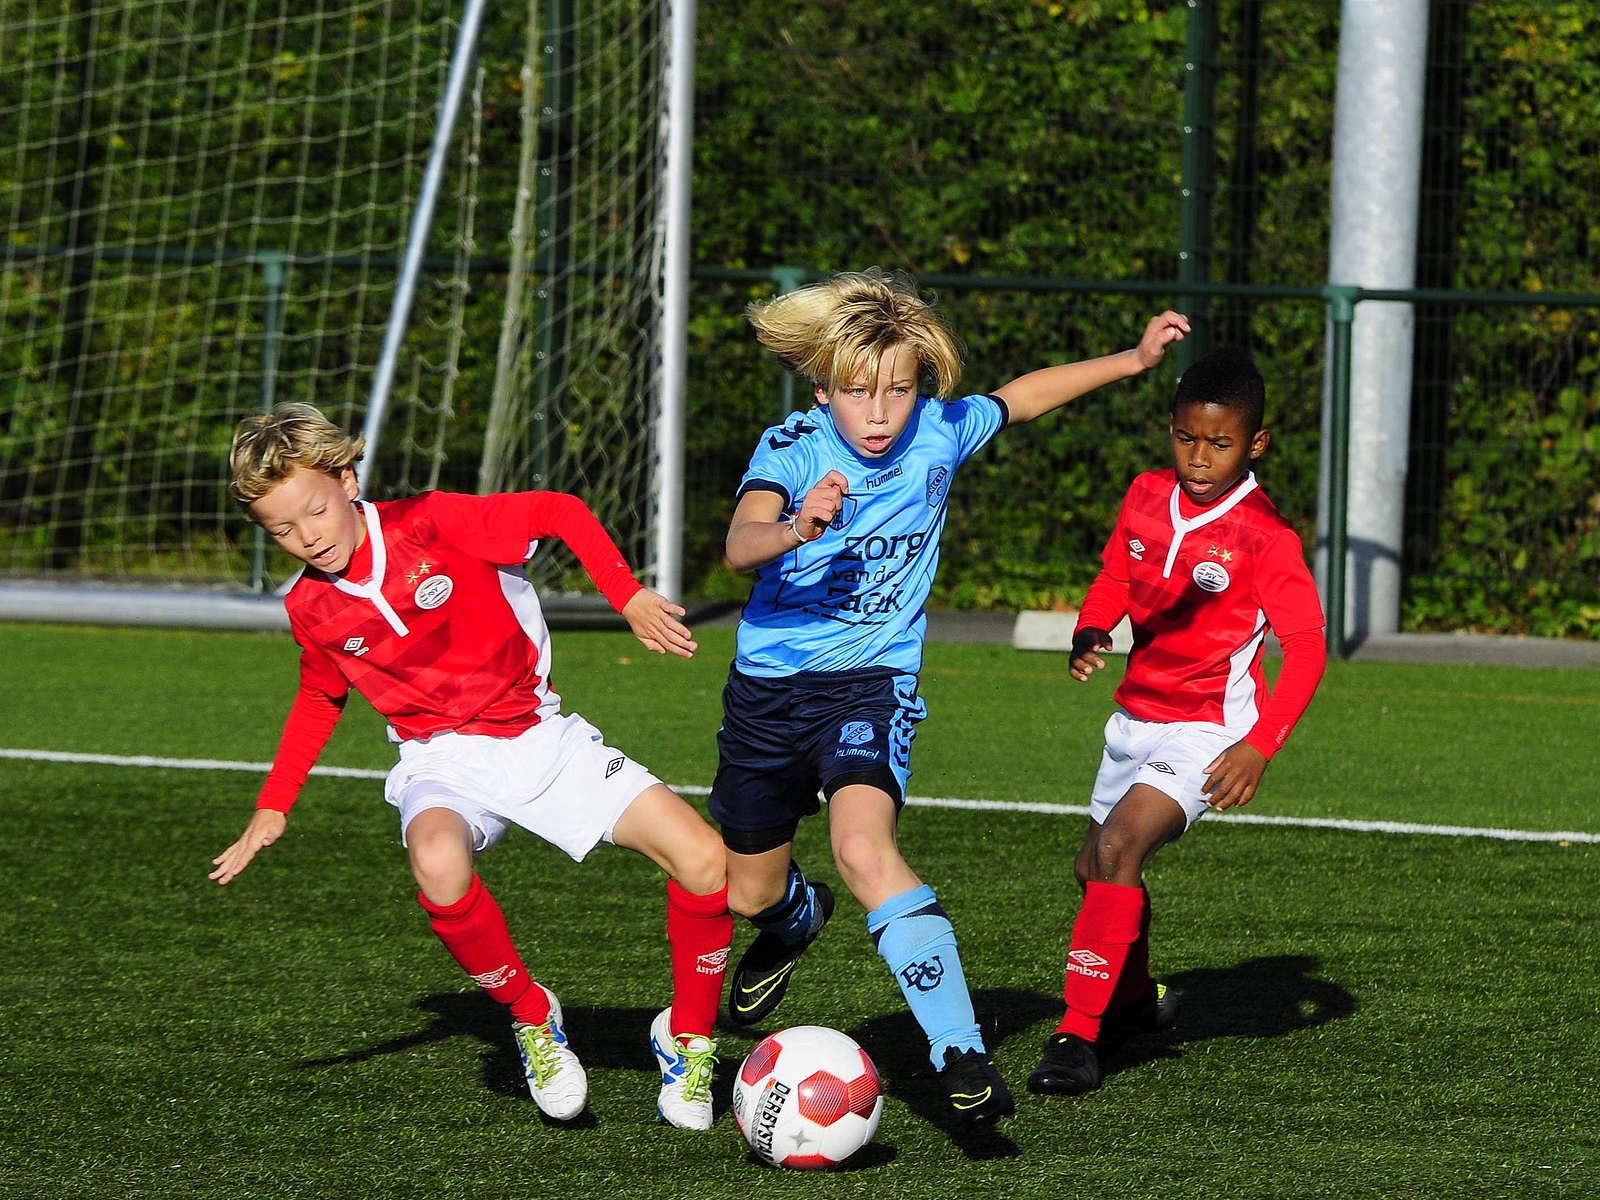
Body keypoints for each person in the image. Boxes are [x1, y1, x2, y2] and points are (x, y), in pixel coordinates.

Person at [714, 266, 1188, 1126]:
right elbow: (740, 543)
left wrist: (1133, 360)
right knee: (749, 892)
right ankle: (795, 918)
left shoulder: (938, 432)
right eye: (859, 393)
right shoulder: (794, 447)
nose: (881, 413)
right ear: (822, 390)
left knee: (864, 849)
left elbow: (1022, 398)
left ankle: (959, 1054)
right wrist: (797, 527)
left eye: (898, 390)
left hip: (871, 685)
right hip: (767, 692)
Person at [209, 403, 732, 1130]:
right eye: (282, 530)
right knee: (437, 862)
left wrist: (628, 595)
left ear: (348, 480)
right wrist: (275, 803)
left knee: (704, 860)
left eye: (316, 512)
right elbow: (321, 694)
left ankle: (689, 1039)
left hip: (541, 739)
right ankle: (533, 1017)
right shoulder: (310, 606)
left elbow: (560, 510)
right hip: (441, 759)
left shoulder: (432, 522)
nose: (308, 537)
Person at [1028, 346, 1328, 1097]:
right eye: (1187, 438)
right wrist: (1092, 627)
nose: (1199, 458)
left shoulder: (1266, 536)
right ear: (1170, 429)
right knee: (1094, 868)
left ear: (1255, 444)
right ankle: (1132, 1000)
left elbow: (1307, 648)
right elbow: (1115, 576)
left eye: (1219, 443)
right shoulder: (1144, 494)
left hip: (1209, 729)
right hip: (1136, 716)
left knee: (1120, 846)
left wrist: (1259, 746)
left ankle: (1077, 1036)